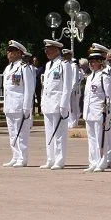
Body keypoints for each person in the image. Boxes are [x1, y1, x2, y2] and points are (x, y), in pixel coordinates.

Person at [39, 40, 72, 170]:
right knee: (49, 133)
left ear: (57, 50)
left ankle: (59, 159)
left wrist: (64, 104)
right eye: (46, 49)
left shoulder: (64, 64)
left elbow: (67, 86)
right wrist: (42, 102)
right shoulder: (48, 65)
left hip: (58, 103)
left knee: (59, 133)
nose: (46, 51)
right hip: (48, 103)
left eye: (49, 49)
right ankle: (50, 158)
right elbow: (46, 86)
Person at [2, 41, 35, 168]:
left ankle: (23, 157)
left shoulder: (24, 67)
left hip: (20, 104)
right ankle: (15, 156)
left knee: (21, 133)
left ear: (18, 53)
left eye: (11, 51)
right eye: (8, 51)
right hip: (10, 105)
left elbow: (29, 88)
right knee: (12, 132)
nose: (8, 53)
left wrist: (27, 107)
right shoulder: (8, 68)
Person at [83, 45, 111, 173]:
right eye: (91, 61)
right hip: (89, 111)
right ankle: (93, 161)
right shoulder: (90, 77)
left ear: (100, 62)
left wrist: (108, 114)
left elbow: (109, 97)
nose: (92, 64)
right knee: (91, 138)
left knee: (101, 138)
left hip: (100, 112)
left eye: (95, 61)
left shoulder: (104, 76)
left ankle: (102, 161)